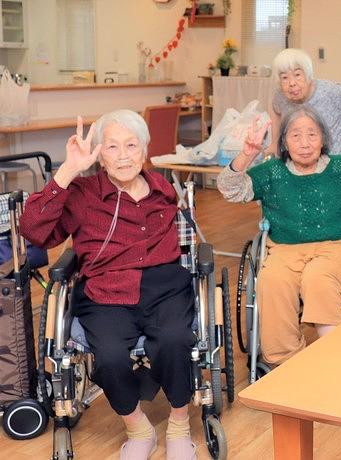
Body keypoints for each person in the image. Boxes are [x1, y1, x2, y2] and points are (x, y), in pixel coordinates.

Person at [20, 111, 197, 460]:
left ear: (145, 150)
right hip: (105, 291)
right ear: (100, 155)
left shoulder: (163, 190)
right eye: (112, 147)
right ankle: (138, 429)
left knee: (175, 340)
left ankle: (179, 425)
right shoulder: (83, 193)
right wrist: (68, 171)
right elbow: (33, 230)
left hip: (164, 287)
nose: (123, 155)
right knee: (110, 357)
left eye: (131, 145)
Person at [217, 107, 341, 367]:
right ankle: (286, 363)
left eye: (312, 134)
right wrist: (247, 155)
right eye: (296, 135)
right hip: (285, 248)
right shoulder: (272, 171)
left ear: (323, 139)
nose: (305, 143)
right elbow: (229, 190)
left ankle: (335, 360)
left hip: (339, 245)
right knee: (271, 281)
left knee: (317, 277)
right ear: (284, 142)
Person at [268, 48, 341, 157]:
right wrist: (274, 143)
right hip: (300, 162)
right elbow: (275, 109)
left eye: (297, 75)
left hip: (337, 162)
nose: (292, 83)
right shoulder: (281, 96)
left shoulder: (331, 91)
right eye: (284, 77)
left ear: (308, 74)